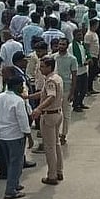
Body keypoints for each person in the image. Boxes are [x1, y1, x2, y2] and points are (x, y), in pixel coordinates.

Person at [0, 75, 31, 199]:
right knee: (16, 163)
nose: (22, 88)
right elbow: (23, 120)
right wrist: (29, 135)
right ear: (16, 86)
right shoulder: (18, 100)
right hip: (15, 136)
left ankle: (14, 184)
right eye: (21, 85)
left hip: (2, 135)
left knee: (10, 161)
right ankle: (10, 190)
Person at [32, 57, 64, 185]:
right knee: (56, 144)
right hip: (57, 113)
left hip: (49, 116)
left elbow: (51, 96)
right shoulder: (57, 78)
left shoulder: (50, 81)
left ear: (50, 67)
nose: (41, 68)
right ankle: (59, 170)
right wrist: (29, 96)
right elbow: (43, 94)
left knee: (49, 147)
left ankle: (52, 175)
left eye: (43, 66)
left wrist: (39, 108)